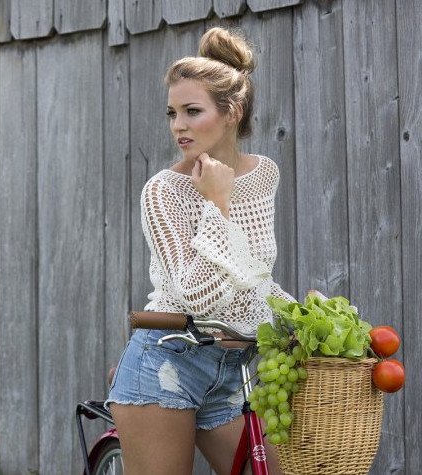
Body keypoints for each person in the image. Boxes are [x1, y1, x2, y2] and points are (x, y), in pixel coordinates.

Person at [104, 26, 297, 475]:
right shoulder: (163, 192)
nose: (178, 125)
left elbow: (253, 275)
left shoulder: (264, 174)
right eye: (172, 113)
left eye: (192, 111)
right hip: (167, 363)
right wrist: (217, 203)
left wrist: (303, 317)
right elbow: (197, 296)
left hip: (234, 368)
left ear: (232, 112)